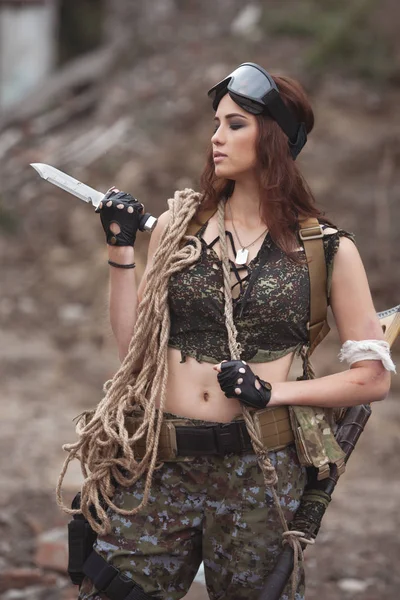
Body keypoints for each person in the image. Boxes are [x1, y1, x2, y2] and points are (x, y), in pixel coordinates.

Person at [60, 63, 395, 600]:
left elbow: (372, 379)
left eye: (235, 124)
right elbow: (134, 353)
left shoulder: (327, 250)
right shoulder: (179, 228)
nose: (215, 137)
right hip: (159, 465)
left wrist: (272, 392)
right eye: (216, 123)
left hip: (259, 474)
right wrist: (121, 249)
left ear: (275, 139)